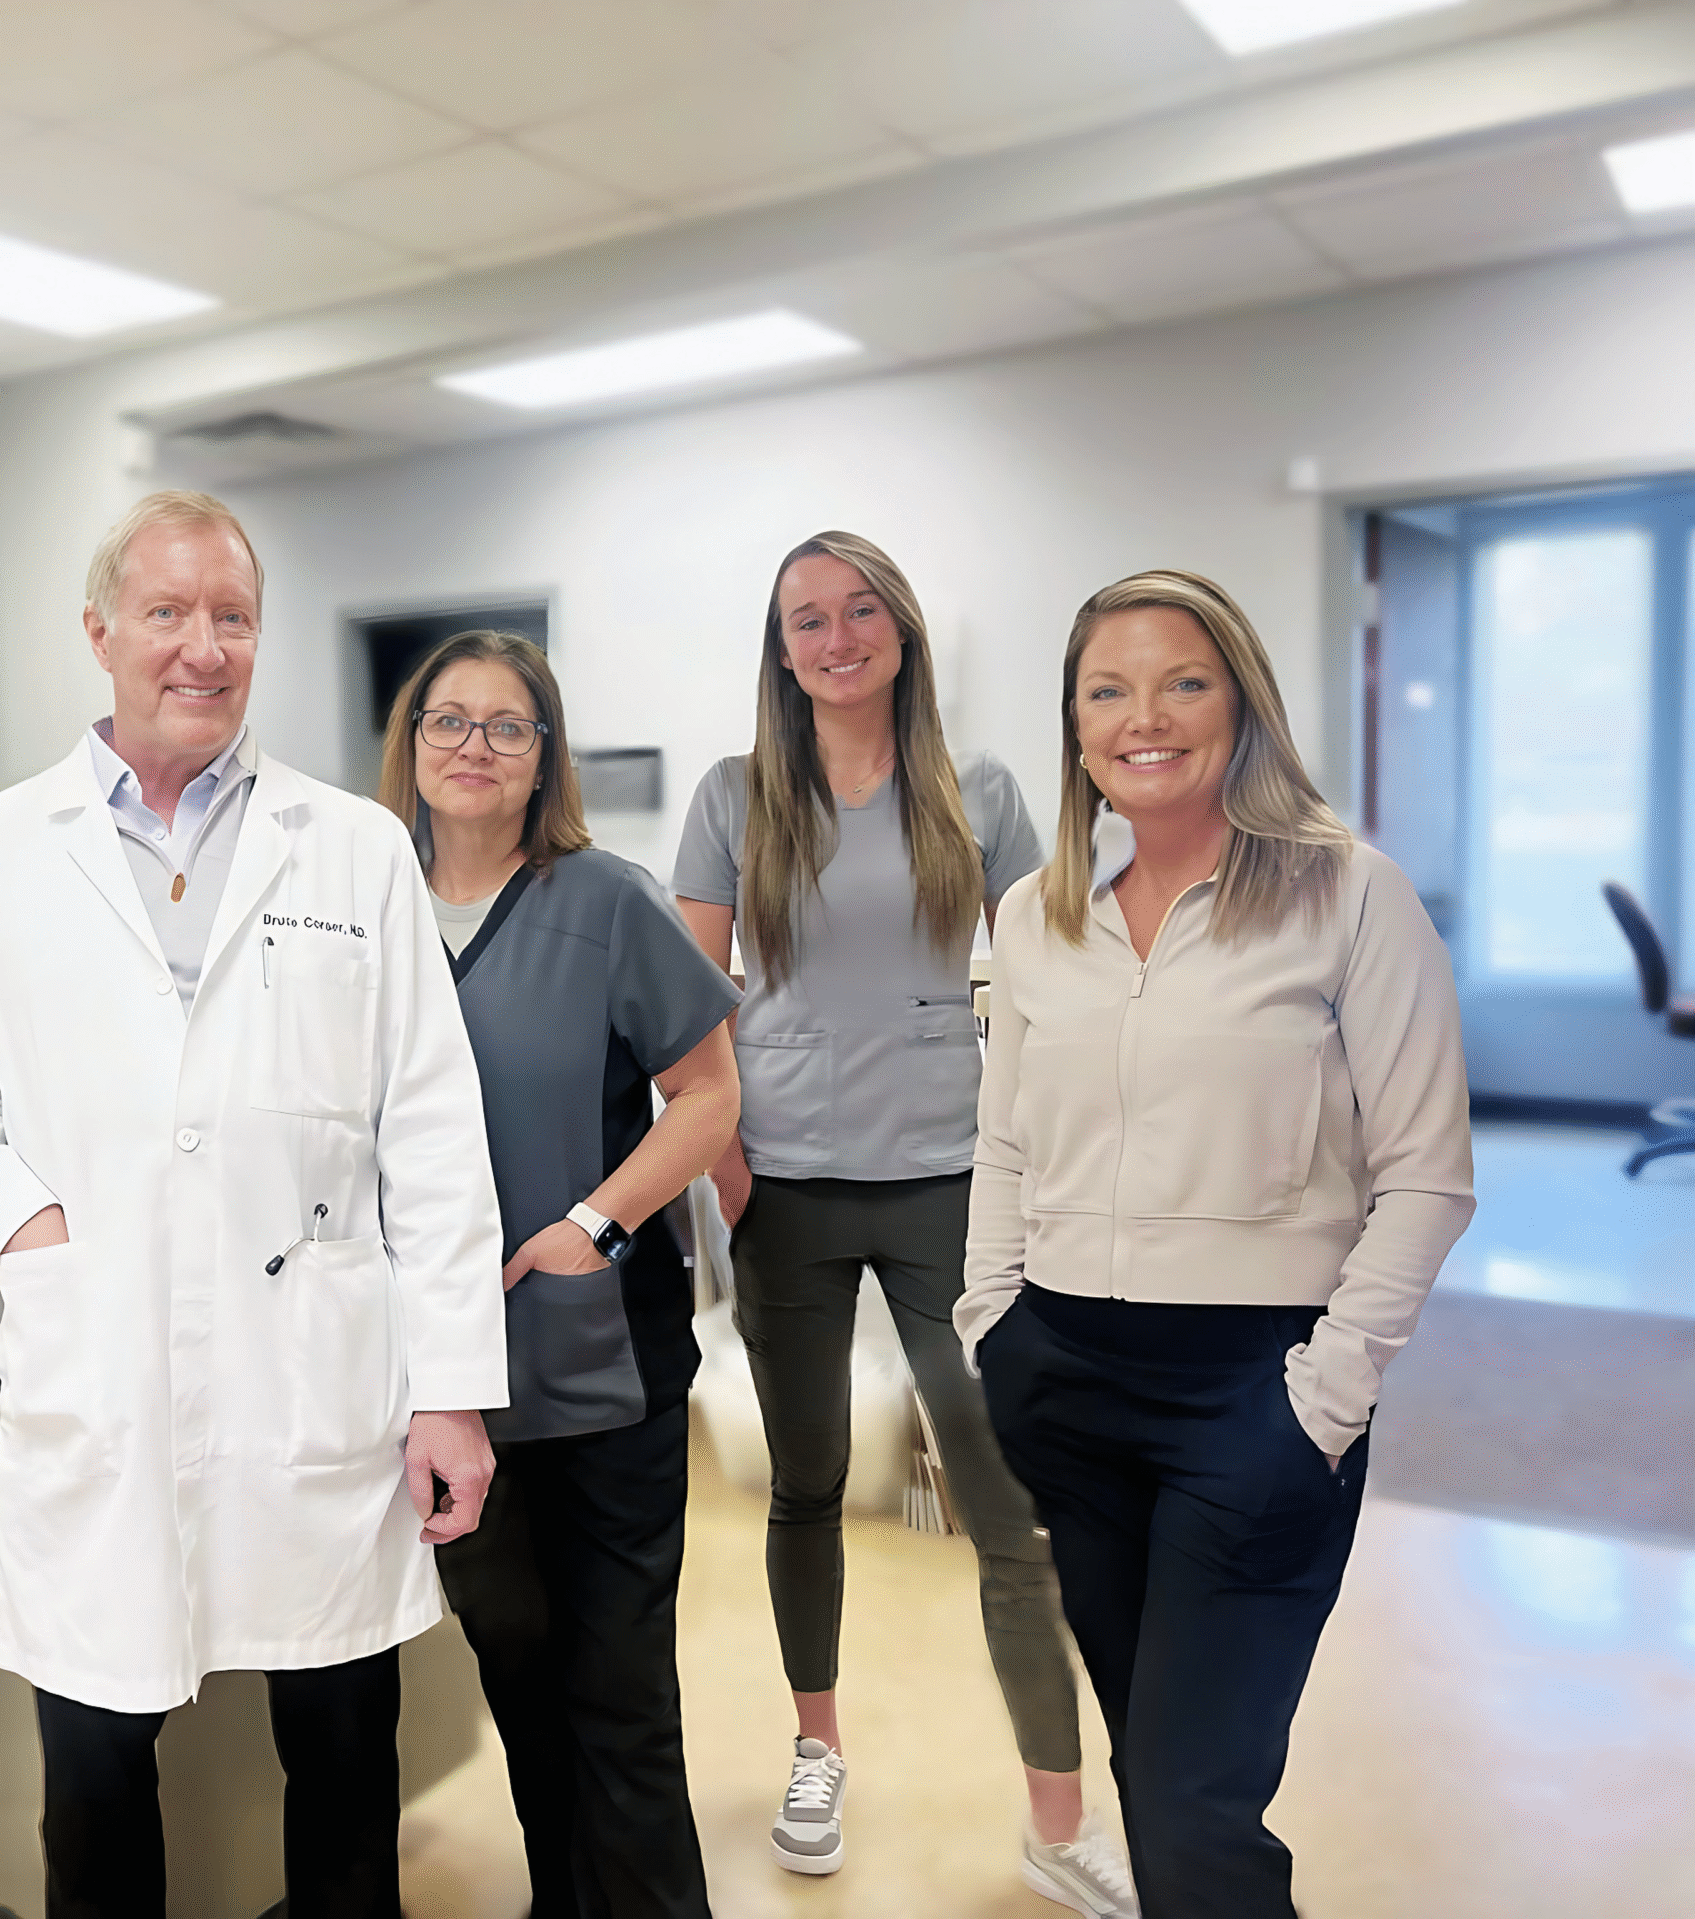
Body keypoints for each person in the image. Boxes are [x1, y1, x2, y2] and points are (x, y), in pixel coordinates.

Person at [0, 490, 507, 1919]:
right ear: (99, 631)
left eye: (231, 617)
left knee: (344, 1751)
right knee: (94, 1766)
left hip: (318, 1376)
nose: (202, 649)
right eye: (167, 613)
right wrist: (21, 1234)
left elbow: (432, 1121)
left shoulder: (352, 845)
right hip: (99, 1357)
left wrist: (452, 1388)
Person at [956, 570, 1473, 1916]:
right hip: (1062, 1375)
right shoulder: (1036, 914)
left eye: (1183, 680)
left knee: (1192, 1806)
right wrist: (992, 1325)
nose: (1146, 717)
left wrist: (1323, 1398)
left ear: (1241, 702)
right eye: (1107, 690)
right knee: (1152, 1759)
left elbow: (1427, 1176)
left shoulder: (1350, 894)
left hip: (1257, 1396)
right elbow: (1004, 1143)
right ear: (1074, 727)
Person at [675, 531, 1134, 1913]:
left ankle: (1058, 1816)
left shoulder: (973, 790)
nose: (834, 636)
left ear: (901, 627)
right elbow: (689, 1010)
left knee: (1004, 1503)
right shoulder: (734, 795)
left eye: (858, 608)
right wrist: (735, 1169)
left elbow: (1055, 976)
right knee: (808, 1484)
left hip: (951, 1187)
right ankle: (818, 1751)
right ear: (782, 650)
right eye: (805, 619)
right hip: (788, 1194)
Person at [379, 630, 741, 1919]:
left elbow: (707, 1097)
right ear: (410, 744)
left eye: (507, 726)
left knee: (620, 1698)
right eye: (448, 722)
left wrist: (597, 1219)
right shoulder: (363, 908)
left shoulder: (607, 900)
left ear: (545, 757)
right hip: (438, 1377)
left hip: (599, 1367)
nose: (473, 747)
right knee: (520, 1680)